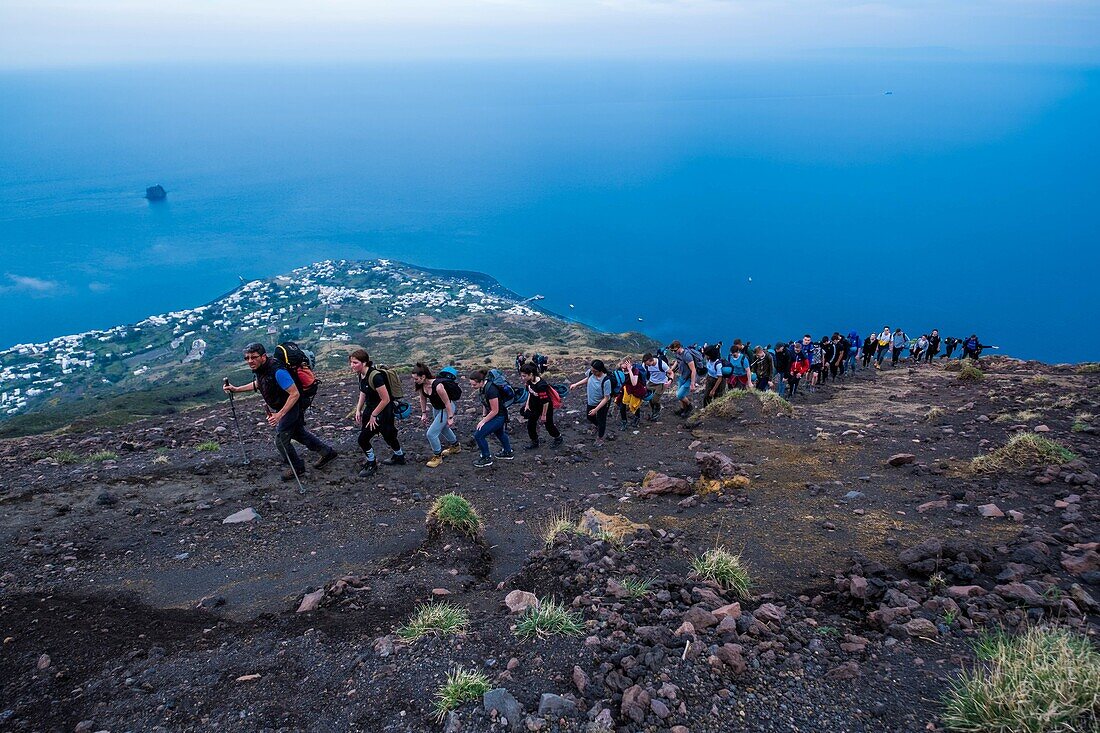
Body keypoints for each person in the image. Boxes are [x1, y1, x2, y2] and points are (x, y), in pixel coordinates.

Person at [223, 343, 337, 482]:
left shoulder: (278, 371)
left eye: (254, 357)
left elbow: (294, 394)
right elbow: (261, 383)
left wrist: (279, 415)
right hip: (285, 406)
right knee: (298, 433)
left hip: (292, 406)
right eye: (247, 358)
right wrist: (236, 389)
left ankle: (297, 467)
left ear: (263, 356)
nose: (250, 361)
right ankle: (327, 452)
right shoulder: (263, 369)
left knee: (281, 441)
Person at [349, 349, 405, 477]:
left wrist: (374, 415)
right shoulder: (361, 374)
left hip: (383, 411)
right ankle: (399, 456)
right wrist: (358, 409)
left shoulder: (376, 377)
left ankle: (372, 463)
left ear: (364, 363)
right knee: (388, 435)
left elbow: (386, 399)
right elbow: (363, 391)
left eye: (355, 362)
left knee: (363, 439)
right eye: (351, 362)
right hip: (371, 410)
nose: (352, 365)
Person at [413, 363, 461, 468]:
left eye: (416, 379)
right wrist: (424, 413)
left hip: (446, 408)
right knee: (443, 428)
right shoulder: (421, 385)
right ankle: (456, 446)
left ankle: (437, 456)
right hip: (437, 409)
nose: (415, 381)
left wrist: (450, 417)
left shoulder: (438, 386)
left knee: (431, 434)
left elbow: (447, 402)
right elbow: (423, 398)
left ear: (423, 376)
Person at [467, 369, 514, 468]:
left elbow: (495, 410)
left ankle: (486, 458)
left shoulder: (491, 390)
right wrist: (484, 415)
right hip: (497, 415)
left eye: (474, 384)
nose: (472, 387)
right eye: (471, 384)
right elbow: (485, 402)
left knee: (479, 435)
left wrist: (483, 421)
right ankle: (508, 452)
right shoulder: (483, 388)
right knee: (500, 433)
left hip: (499, 416)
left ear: (481, 381)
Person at [520, 363, 563, 450]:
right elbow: (530, 392)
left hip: (545, 407)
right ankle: (535, 441)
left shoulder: (541, 385)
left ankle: (558, 437)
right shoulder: (529, 381)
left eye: (524, 376)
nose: (522, 378)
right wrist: (527, 404)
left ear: (531, 374)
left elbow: (546, 402)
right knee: (530, 425)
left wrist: (543, 415)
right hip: (534, 406)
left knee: (548, 425)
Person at [571, 359, 613, 447]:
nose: (592, 372)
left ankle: (600, 438)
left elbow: (606, 398)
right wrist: (576, 384)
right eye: (592, 370)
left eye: (595, 371)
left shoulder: (606, 380)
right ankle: (597, 426)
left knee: (602, 420)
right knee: (589, 416)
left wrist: (596, 409)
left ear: (600, 370)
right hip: (591, 401)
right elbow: (587, 378)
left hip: (602, 403)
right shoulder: (591, 373)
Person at [668, 340, 699, 418]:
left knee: (679, 395)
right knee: (680, 395)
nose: (673, 352)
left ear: (679, 347)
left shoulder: (687, 355)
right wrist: (672, 369)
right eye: (672, 351)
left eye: (674, 350)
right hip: (682, 376)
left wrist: (692, 383)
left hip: (688, 378)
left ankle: (689, 406)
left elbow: (693, 370)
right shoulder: (677, 353)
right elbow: (677, 361)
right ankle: (683, 409)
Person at [616, 357, 647, 429]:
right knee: (622, 404)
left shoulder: (635, 370)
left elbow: (634, 383)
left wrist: (629, 370)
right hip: (627, 389)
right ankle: (624, 422)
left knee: (635, 405)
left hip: (636, 390)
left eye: (624, 365)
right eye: (622, 365)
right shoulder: (621, 369)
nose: (623, 368)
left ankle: (637, 418)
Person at [641, 351, 670, 421]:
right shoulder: (644, 365)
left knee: (655, 399)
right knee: (649, 397)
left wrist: (670, 381)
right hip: (652, 382)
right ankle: (654, 411)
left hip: (661, 383)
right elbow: (644, 373)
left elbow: (671, 372)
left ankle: (658, 409)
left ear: (651, 360)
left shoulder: (662, 364)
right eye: (646, 365)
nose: (647, 366)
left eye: (648, 364)